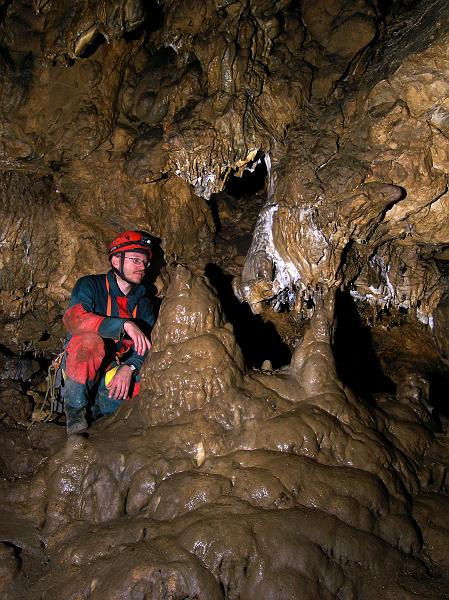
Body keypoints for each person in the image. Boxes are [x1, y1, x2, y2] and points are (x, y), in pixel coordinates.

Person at [62, 231, 154, 435]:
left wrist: (130, 367)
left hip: (113, 370)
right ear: (115, 260)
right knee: (89, 342)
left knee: (149, 383)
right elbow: (74, 319)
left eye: (144, 262)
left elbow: (148, 345)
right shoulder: (91, 285)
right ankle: (75, 417)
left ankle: (108, 422)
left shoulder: (143, 304)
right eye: (135, 260)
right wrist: (124, 325)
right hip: (82, 367)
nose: (142, 266)